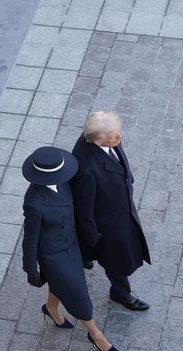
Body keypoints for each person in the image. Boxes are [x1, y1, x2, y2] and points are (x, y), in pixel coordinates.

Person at [22, 146, 119, 351]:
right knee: (78, 294)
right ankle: (95, 334)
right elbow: (30, 238)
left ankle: (51, 308)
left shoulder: (63, 180)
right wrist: (30, 269)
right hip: (53, 256)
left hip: (71, 247)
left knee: (64, 286)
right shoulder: (34, 203)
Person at [71, 112, 151, 311]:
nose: (119, 138)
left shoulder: (106, 137)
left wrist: (127, 179)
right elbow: (84, 207)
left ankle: (85, 257)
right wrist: (92, 236)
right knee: (115, 258)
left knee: (110, 253)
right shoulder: (87, 168)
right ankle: (121, 293)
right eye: (114, 137)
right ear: (99, 141)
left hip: (118, 208)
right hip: (108, 222)